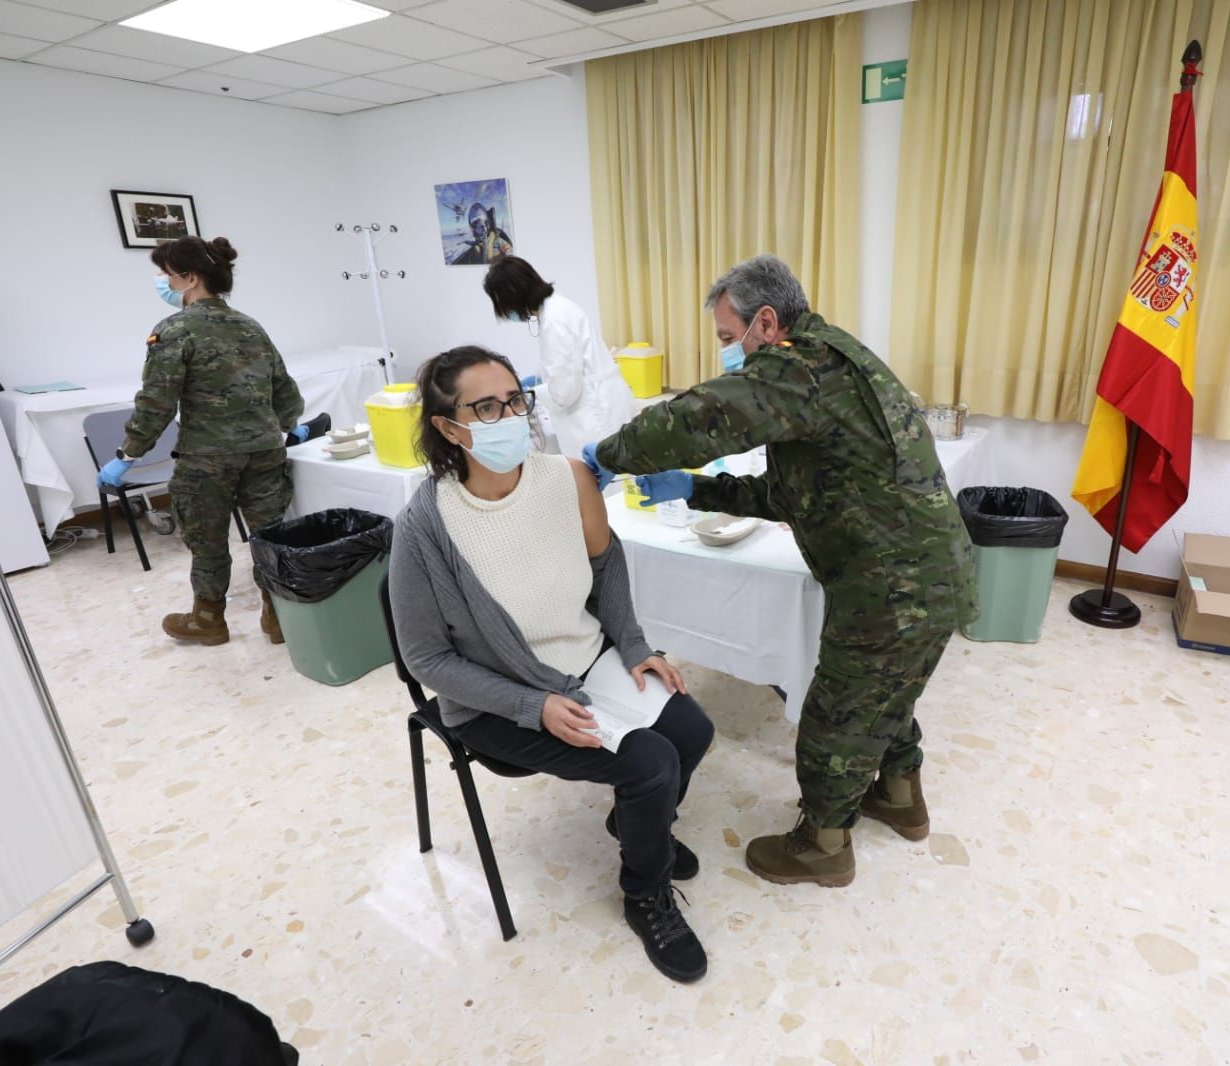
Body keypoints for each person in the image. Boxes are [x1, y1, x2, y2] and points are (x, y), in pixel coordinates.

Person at [582, 254, 978, 888]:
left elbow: (701, 417)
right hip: (930, 573)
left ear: (765, 322)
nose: (725, 354)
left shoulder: (799, 368)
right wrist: (694, 488)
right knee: (886, 693)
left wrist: (608, 455)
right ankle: (901, 799)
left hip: (889, 587)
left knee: (835, 713)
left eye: (725, 337)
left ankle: (822, 846)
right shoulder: (836, 356)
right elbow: (796, 494)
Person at [388, 346, 714, 983]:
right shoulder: (424, 527)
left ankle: (635, 824)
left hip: (585, 659)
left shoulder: (566, 478)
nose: (509, 415)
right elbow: (425, 657)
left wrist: (635, 646)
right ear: (447, 427)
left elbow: (606, 562)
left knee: (692, 731)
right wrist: (530, 705)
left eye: (515, 399)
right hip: (499, 699)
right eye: (486, 406)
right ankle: (644, 892)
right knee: (652, 765)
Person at [97, 236, 321, 647]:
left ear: (190, 278)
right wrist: (282, 429)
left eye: (167, 275)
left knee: (208, 541)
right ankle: (278, 617)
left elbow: (156, 403)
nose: (163, 282)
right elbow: (286, 392)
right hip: (264, 453)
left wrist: (127, 455)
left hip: (207, 459)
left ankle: (208, 620)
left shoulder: (174, 330)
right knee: (269, 535)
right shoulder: (251, 326)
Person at [483, 255, 637, 460]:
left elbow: (565, 393)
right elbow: (567, 366)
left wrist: (530, 394)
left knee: (610, 482)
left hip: (596, 415)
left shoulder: (554, 321)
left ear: (512, 296)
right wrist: (540, 380)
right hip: (604, 403)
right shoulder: (557, 308)